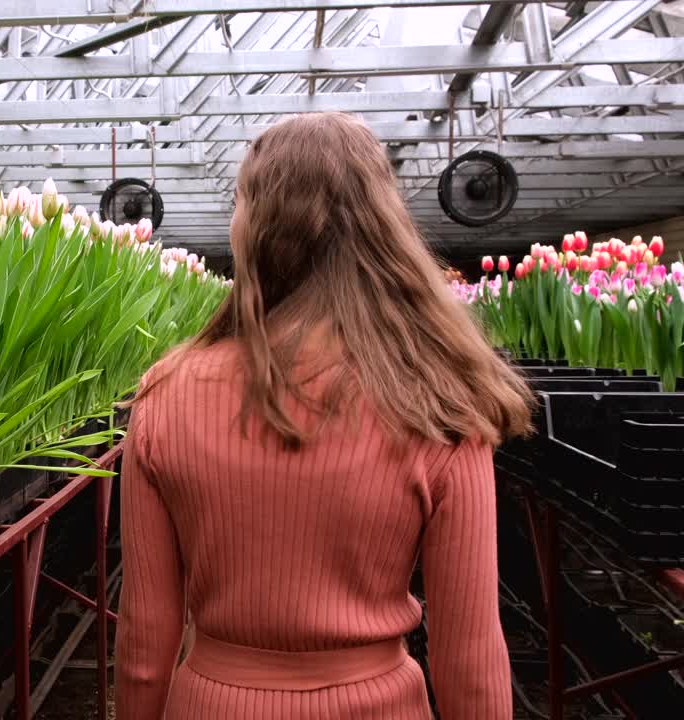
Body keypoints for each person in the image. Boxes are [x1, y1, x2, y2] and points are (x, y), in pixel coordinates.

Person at [114, 112, 533, 720]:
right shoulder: (438, 400)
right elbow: (467, 655)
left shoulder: (166, 394)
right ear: (383, 225)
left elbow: (145, 641)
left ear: (254, 228)